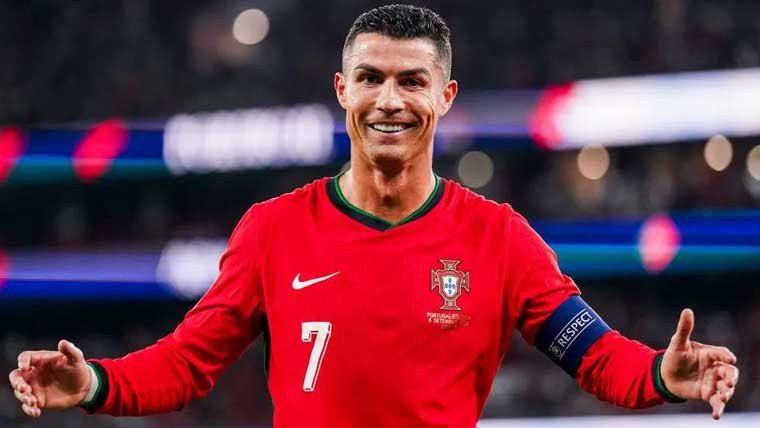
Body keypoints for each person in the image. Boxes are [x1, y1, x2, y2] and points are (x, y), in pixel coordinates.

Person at [8, 4, 739, 427]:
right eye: (371, 78)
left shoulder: (500, 238)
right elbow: (187, 362)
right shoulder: (272, 229)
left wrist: (661, 372)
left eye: (412, 81)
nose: (390, 101)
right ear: (342, 90)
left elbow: (595, 355)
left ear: (445, 97)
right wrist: (95, 382)